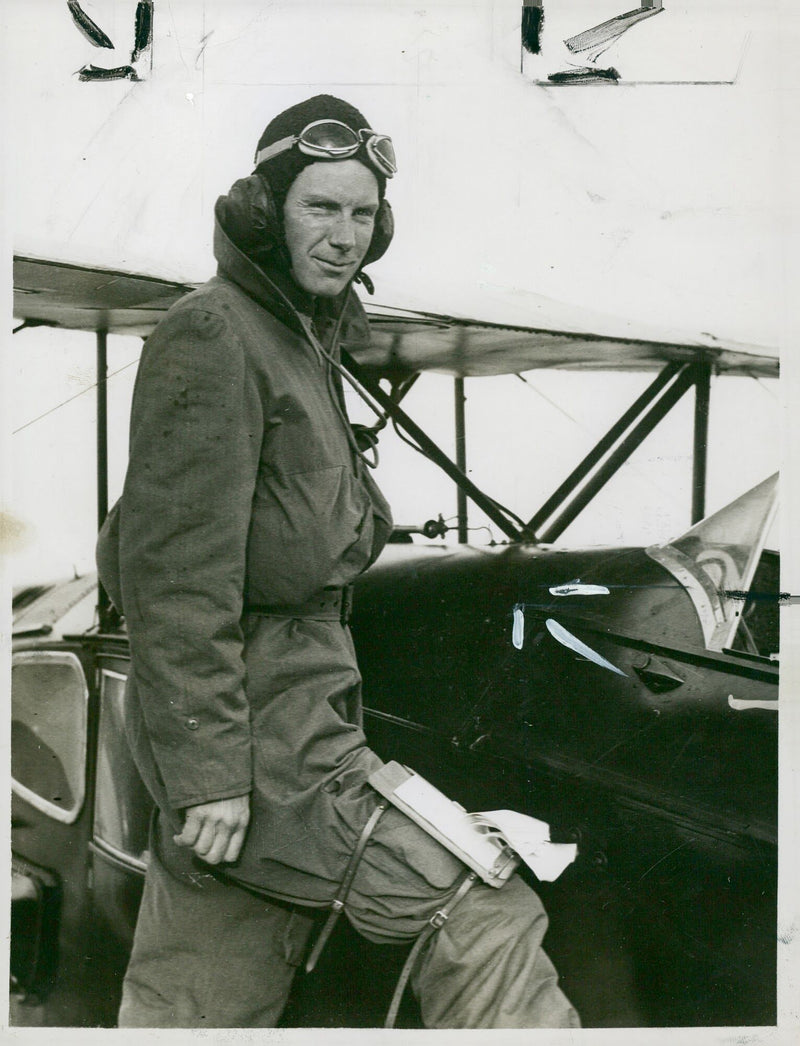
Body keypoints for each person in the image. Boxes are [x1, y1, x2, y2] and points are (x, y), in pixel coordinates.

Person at [97, 94, 579, 1030]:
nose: (345, 235)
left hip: (281, 725)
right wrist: (209, 780)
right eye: (322, 207)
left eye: (363, 214)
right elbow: (172, 579)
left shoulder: (303, 338)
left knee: (192, 1010)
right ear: (263, 210)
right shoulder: (217, 332)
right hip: (266, 748)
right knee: (479, 909)